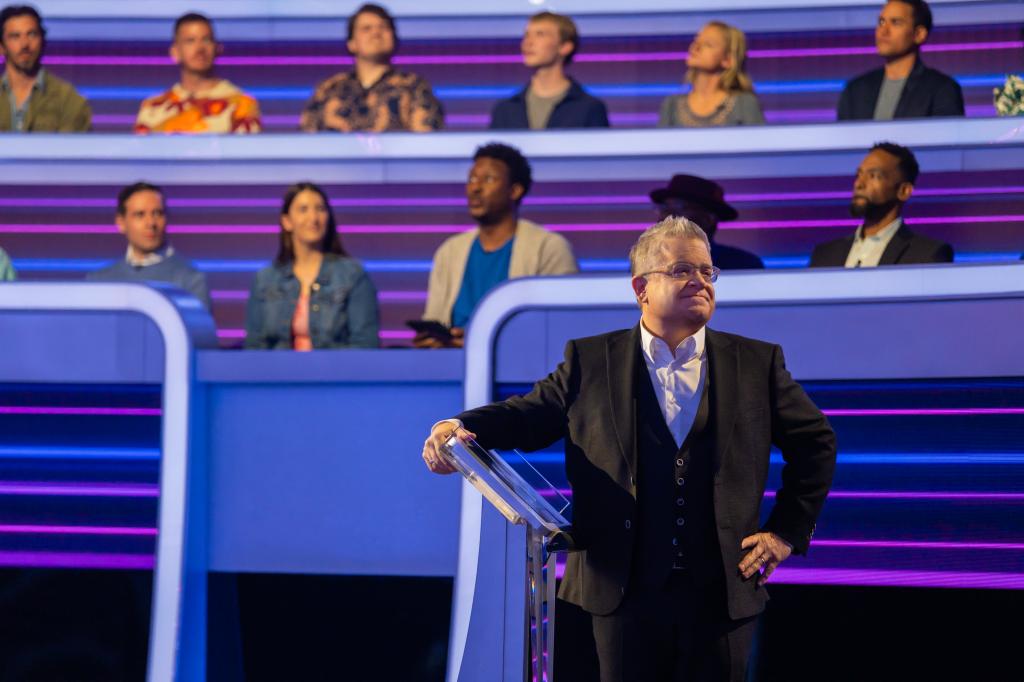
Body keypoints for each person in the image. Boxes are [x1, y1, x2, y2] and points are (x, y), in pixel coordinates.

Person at [422, 216, 837, 681]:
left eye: (707, 271)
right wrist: (457, 425)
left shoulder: (757, 362)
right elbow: (527, 415)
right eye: (683, 270)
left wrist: (785, 532)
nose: (700, 280)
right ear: (641, 288)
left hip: (723, 589)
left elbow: (816, 443)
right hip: (620, 590)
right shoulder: (589, 359)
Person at [415, 143, 577, 348]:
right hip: (451, 368)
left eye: (488, 179)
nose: (475, 187)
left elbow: (559, 331)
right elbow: (435, 319)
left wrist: (480, 343)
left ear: (515, 190)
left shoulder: (549, 248)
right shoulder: (449, 251)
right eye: (472, 178)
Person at [245, 182, 379, 350]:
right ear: (286, 221)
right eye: (303, 210)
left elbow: (365, 345)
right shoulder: (265, 279)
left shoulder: (353, 275)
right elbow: (255, 346)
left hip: (337, 373)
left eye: (320, 209)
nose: (313, 218)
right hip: (277, 373)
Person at [300, 3, 443, 133]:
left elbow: (426, 139)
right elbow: (307, 140)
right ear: (351, 43)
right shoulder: (330, 89)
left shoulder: (413, 86)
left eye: (384, 27)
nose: (376, 33)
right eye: (366, 29)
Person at [810, 142, 953, 267]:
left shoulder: (927, 254)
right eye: (859, 175)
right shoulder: (823, 255)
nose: (859, 184)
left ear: (904, 191)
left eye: (874, 176)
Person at [87, 183, 211, 309]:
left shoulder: (190, 280)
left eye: (157, 213)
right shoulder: (99, 281)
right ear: (121, 222)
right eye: (140, 214)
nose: (151, 223)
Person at [135, 13, 261, 134]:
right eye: (190, 41)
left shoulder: (241, 105)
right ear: (175, 52)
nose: (200, 48)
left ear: (217, 48)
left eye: (206, 40)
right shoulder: (152, 108)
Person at [837, 0, 963, 120]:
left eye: (896, 22)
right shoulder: (855, 91)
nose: (883, 31)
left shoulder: (942, 89)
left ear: (919, 34)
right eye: (881, 22)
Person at [489, 12, 609, 130]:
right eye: (527, 35)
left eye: (540, 34)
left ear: (565, 47)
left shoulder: (589, 108)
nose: (528, 43)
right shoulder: (505, 110)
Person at [0, 4, 90, 132]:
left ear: (42, 40)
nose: (25, 44)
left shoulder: (68, 99)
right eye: (15, 36)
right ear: (1, 46)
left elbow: (74, 150)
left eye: (31, 34)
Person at [658, 21, 763, 128]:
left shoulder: (744, 104)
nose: (695, 47)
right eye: (696, 40)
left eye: (708, 44)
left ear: (728, 60)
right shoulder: (672, 106)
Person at [650, 174, 764, 269]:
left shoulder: (742, 264)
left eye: (680, 208)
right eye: (664, 208)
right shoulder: (648, 263)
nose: (666, 217)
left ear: (708, 219)